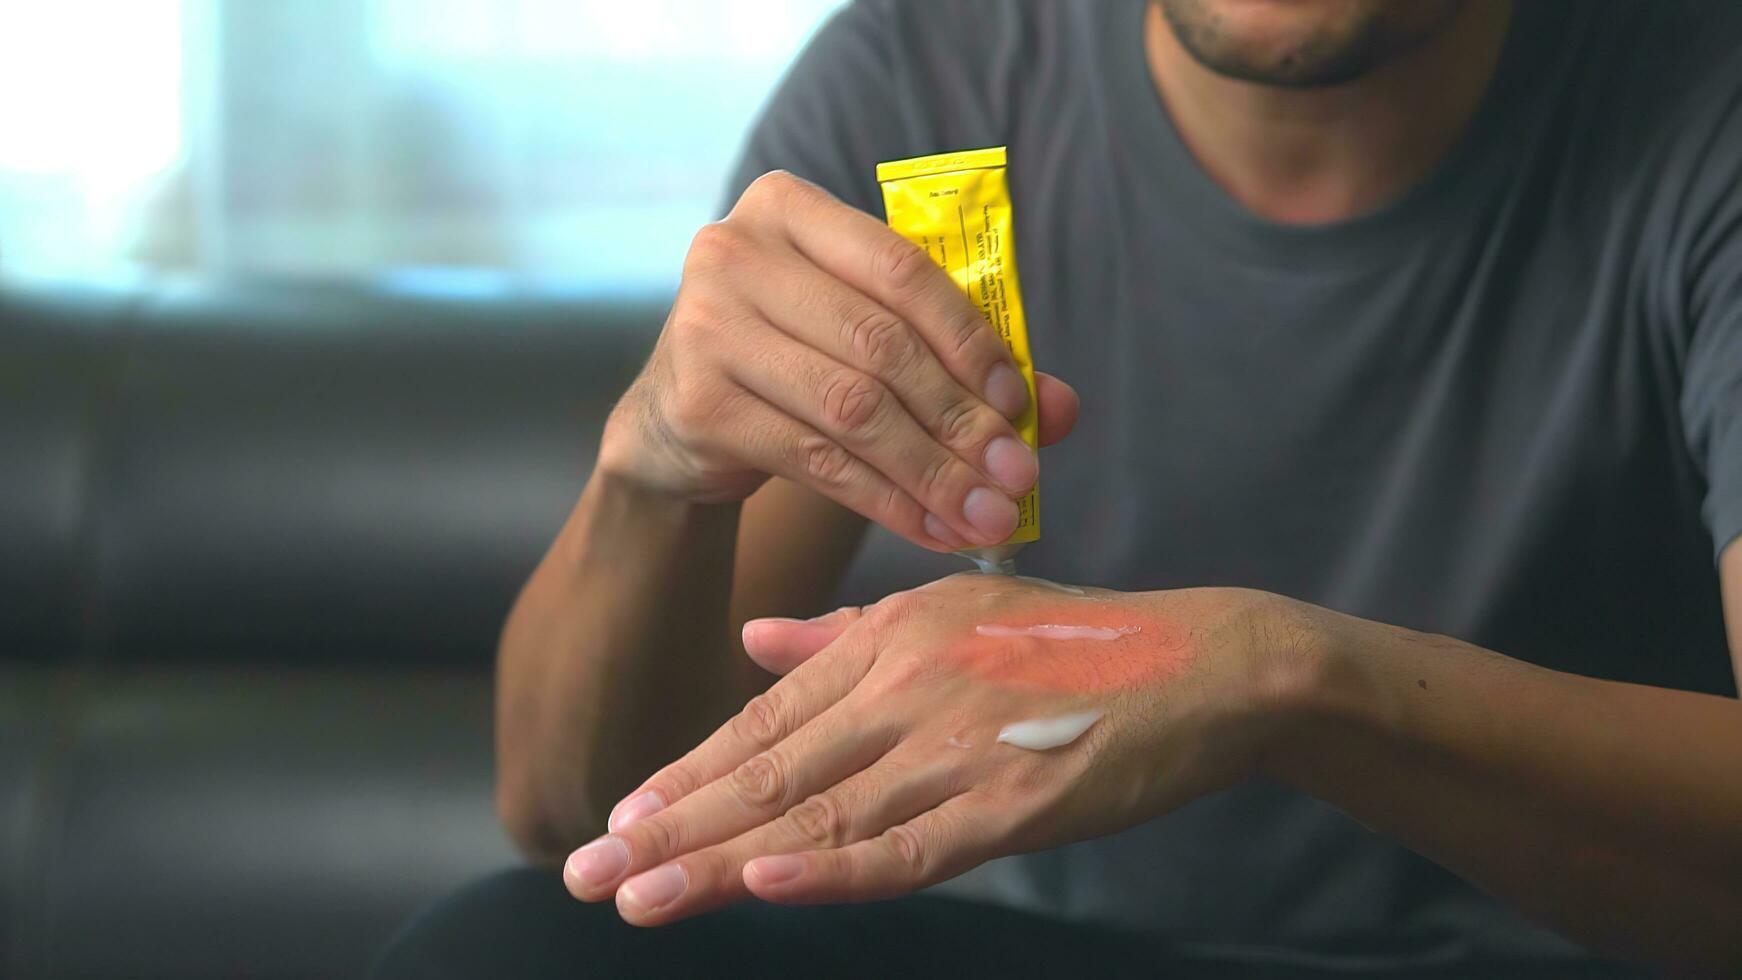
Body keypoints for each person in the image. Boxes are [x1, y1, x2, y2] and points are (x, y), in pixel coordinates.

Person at [374, 0, 1742, 976]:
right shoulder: (929, 77)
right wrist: (651, 469)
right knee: (509, 944)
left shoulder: (1699, 102)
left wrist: (1284, 679)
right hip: (1040, 941)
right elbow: (577, 813)